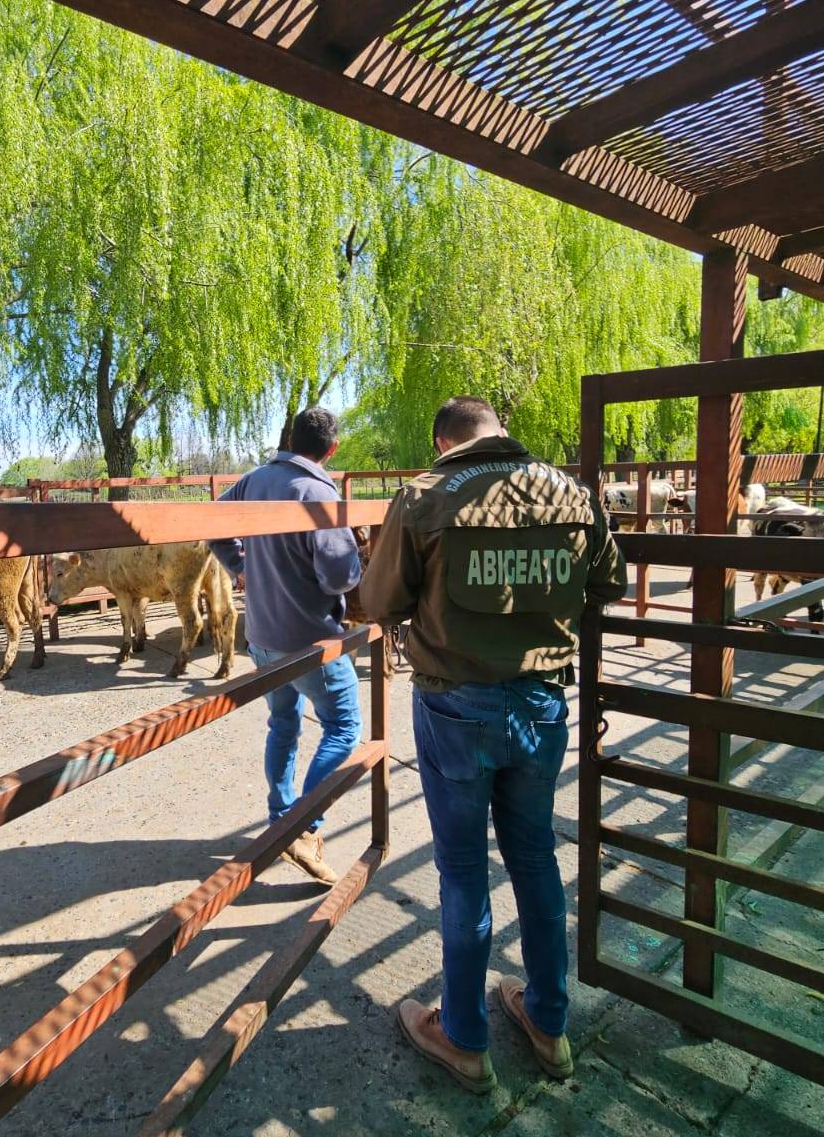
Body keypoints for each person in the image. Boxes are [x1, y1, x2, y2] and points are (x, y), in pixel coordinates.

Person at [359, 396, 625, 1092]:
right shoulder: (572, 490)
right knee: (537, 861)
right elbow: (609, 581)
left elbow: (381, 602)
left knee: (463, 872)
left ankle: (465, 1039)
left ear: (443, 441)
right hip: (541, 702)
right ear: (500, 432)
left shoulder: (422, 497)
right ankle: (548, 1022)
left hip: (455, 704)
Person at [208, 407, 364, 886]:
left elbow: (214, 523)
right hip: (309, 639)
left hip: (262, 635)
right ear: (331, 450)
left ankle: (282, 817)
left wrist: (240, 567)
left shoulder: (255, 480)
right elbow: (339, 576)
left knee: (283, 723)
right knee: (344, 726)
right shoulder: (319, 493)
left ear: (290, 438)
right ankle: (302, 827)